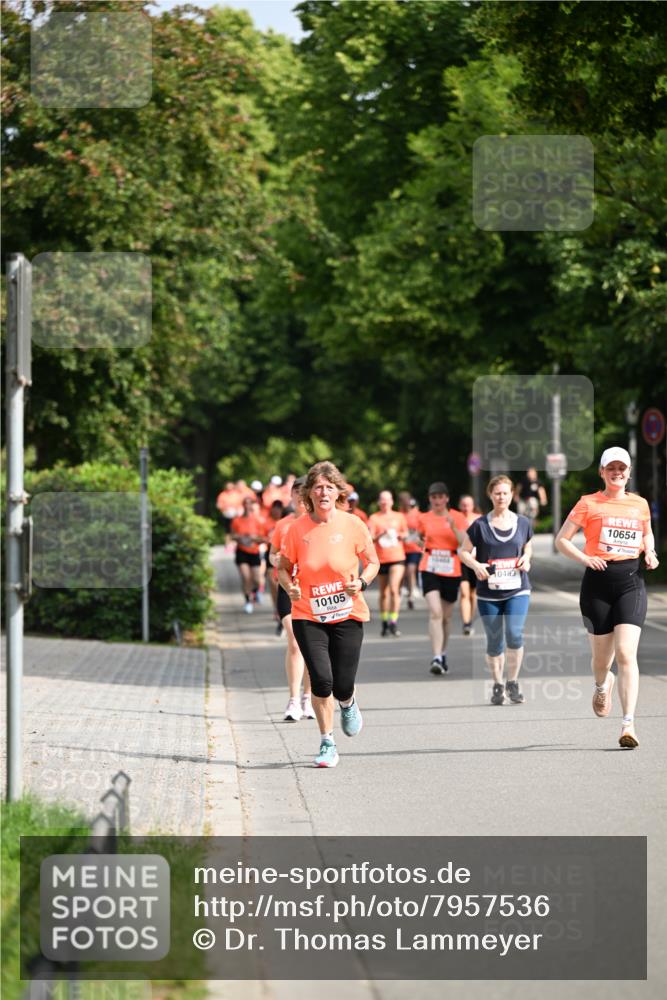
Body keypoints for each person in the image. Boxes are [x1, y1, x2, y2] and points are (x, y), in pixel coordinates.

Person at [555, 447, 659, 749]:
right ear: (602, 472)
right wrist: (585, 558)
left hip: (631, 583)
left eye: (621, 468)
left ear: (628, 471)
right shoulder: (588, 503)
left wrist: (649, 551)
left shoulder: (639, 504)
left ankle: (629, 724)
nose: (617, 473)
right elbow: (562, 539)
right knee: (602, 661)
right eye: (611, 468)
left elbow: (646, 533)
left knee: (627, 653)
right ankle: (603, 684)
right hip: (597, 585)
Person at [279, 461, 379, 768]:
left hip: (348, 613)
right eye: (318, 487)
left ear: (338, 492)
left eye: (329, 487)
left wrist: (361, 582)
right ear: (309, 493)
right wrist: (289, 588)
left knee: (342, 684)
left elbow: (373, 562)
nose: (323, 492)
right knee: (322, 681)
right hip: (308, 614)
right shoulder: (297, 529)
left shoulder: (353, 524)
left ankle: (347, 702)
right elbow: (282, 568)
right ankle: (327, 743)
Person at [460, 476, 533, 705]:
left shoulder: (523, 523)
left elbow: (527, 547)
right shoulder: (480, 525)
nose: (501, 497)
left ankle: (512, 681)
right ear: (490, 495)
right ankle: (498, 684)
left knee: (514, 633)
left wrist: (527, 560)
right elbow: (463, 551)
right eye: (497, 493)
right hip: (488, 592)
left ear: (512, 494)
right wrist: (476, 565)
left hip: (517, 589)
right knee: (494, 642)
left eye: (505, 493)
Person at [269, 478, 315, 722]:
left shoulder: (317, 522)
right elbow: (272, 553)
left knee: (309, 644)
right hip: (287, 588)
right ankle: (293, 699)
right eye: (295, 493)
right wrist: (276, 561)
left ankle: (308, 696)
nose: (299, 497)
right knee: (295, 642)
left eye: (303, 492)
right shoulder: (283, 525)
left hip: (311, 590)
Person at [418, 482, 468, 675]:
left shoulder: (457, 516)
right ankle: (436, 656)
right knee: (436, 612)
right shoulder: (424, 518)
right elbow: (420, 537)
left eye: (440, 497)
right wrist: (417, 541)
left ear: (447, 498)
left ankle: (443, 652)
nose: (437, 500)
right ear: (430, 499)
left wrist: (454, 527)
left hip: (451, 568)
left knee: (446, 618)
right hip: (429, 566)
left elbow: (464, 542)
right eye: (433, 497)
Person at [368, 491, 408, 636]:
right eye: (382, 500)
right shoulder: (374, 518)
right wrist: (380, 534)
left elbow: (406, 533)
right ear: (379, 502)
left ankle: (393, 621)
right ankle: (384, 621)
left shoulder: (399, 516)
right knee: (383, 592)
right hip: (381, 559)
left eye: (387, 500)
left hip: (397, 557)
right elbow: (370, 538)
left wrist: (399, 535)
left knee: (393, 589)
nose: (385, 503)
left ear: (392, 502)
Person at [230, 496, 268, 613]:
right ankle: (248, 601)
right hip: (242, 552)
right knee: (246, 577)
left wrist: (254, 538)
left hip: (254, 552)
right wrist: (241, 537)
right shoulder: (237, 520)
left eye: (249, 503)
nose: (247, 506)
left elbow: (264, 538)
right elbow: (232, 535)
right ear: (243, 505)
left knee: (257, 579)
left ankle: (255, 591)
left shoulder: (259, 521)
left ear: (252, 506)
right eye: (245, 503)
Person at [458, 494, 482, 636]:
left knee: (473, 594)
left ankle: (470, 620)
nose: (466, 507)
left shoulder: (480, 519)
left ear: (473, 506)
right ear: (460, 506)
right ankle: (466, 623)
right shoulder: (455, 520)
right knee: (464, 593)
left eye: (469, 504)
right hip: (460, 560)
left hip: (476, 561)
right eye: (464, 504)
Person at [398, 491, 422, 610]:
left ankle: (411, 594)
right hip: (400, 548)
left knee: (411, 570)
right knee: (402, 572)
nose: (406, 505)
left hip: (414, 548)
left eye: (407, 503)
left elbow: (423, 529)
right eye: (403, 503)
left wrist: (419, 536)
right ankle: (403, 590)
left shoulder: (417, 514)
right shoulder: (398, 515)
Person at [265, 499, 286, 634]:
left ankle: (282, 614)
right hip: (271, 555)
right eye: (274, 508)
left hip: (285, 557)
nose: (276, 511)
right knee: (273, 584)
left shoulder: (285, 523)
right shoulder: (266, 521)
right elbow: (261, 536)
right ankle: (276, 609)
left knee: (282, 587)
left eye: (279, 508)